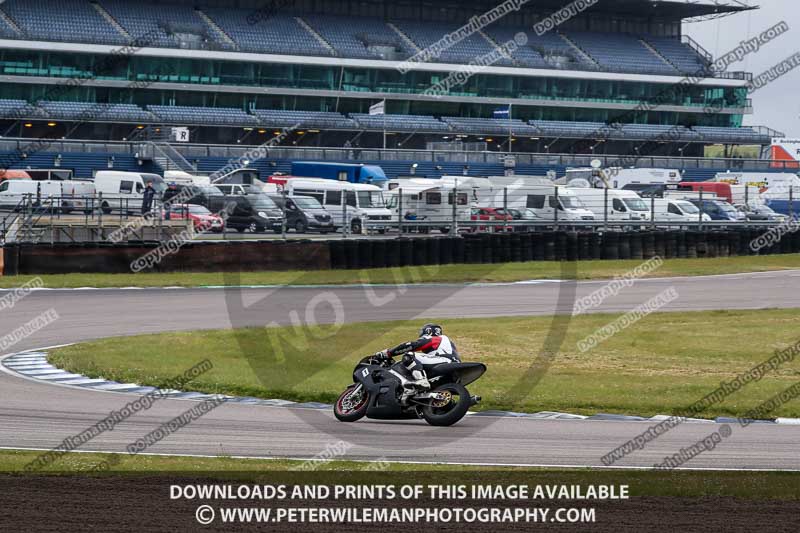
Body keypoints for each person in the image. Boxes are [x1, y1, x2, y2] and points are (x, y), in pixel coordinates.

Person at [375, 323, 458, 390]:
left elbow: (413, 345)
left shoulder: (435, 338)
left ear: (428, 331)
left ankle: (421, 380)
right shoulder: (446, 342)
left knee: (409, 355)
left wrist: (388, 353)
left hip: (444, 360)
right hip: (451, 362)